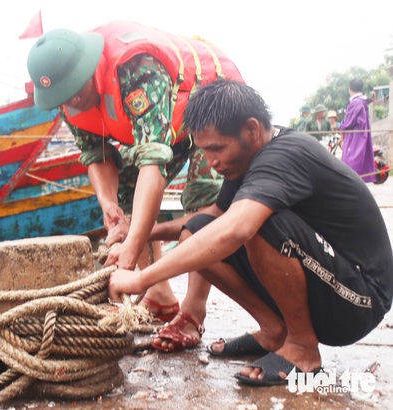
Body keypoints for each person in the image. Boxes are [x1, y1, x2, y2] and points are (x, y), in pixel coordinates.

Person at [108, 79, 393, 386]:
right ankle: (274, 332)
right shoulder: (248, 158)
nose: (211, 162)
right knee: (195, 231)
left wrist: (140, 279)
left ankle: (302, 349)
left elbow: (236, 228)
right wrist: (144, 233)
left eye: (217, 149)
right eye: (205, 151)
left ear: (252, 130)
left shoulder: (284, 156)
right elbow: (216, 215)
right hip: (328, 280)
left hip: (360, 298)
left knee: (259, 224)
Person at [27, 24, 242, 351]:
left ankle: (193, 311)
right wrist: (108, 203)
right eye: (63, 96)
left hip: (212, 102)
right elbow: (96, 155)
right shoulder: (64, 95)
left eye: (75, 91)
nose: (71, 100)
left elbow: (152, 164)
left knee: (203, 201)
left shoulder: (138, 69)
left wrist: (128, 254)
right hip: (170, 126)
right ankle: (159, 295)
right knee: (127, 199)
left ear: (87, 70)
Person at [339, 78, 376, 183]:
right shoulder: (362, 101)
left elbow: (348, 122)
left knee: (351, 160)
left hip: (355, 136)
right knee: (359, 159)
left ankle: (351, 183)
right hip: (362, 134)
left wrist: (341, 129)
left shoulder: (355, 102)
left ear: (350, 89)